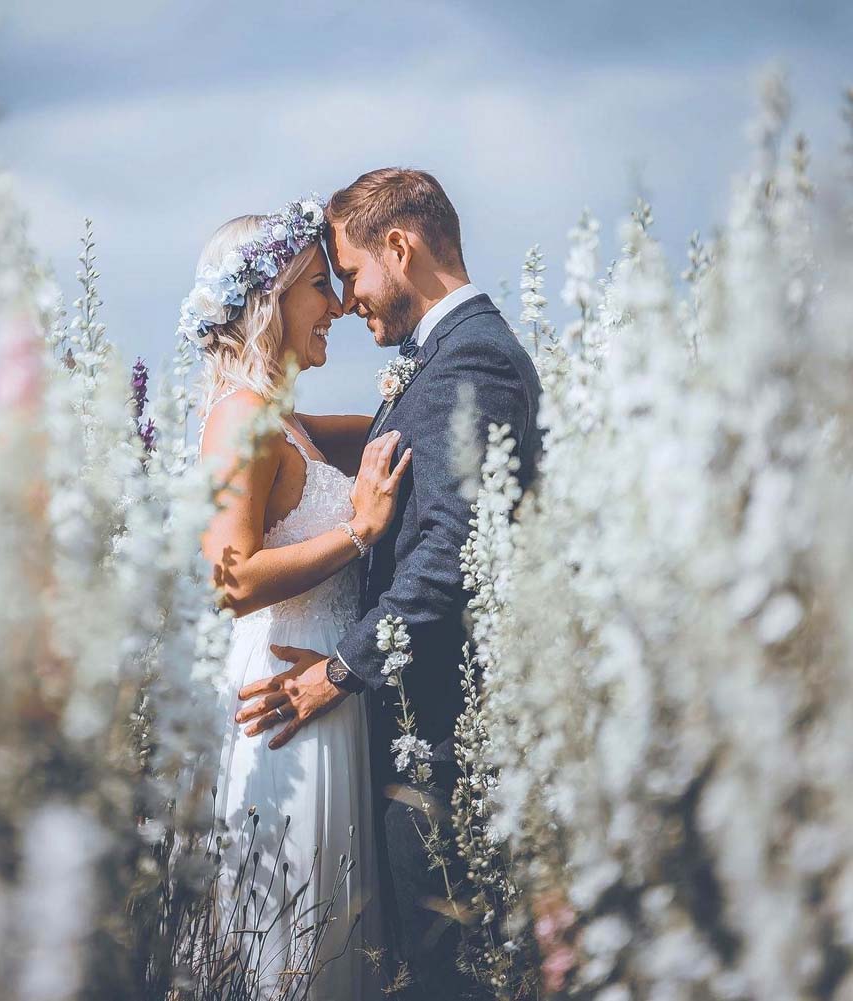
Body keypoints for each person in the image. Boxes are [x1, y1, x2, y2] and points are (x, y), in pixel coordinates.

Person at [235, 169, 543, 1000]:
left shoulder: (470, 357)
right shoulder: (443, 356)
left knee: (456, 974)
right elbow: (382, 453)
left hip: (441, 741)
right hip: (414, 732)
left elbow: (448, 556)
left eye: (353, 273)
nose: (346, 297)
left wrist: (335, 674)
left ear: (399, 247)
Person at [187, 197, 409, 999]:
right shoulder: (239, 421)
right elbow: (229, 579)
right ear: (272, 297)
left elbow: (392, 421)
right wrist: (358, 531)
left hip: (326, 698)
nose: (341, 306)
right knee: (294, 946)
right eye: (322, 286)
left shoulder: (288, 422)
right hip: (283, 712)